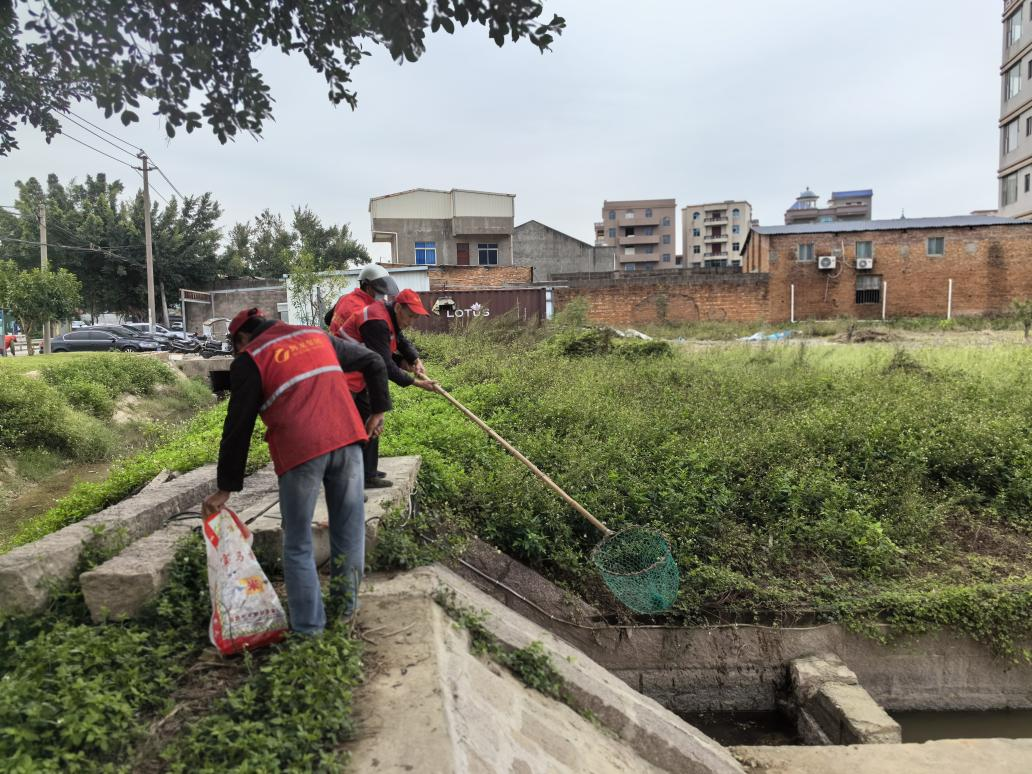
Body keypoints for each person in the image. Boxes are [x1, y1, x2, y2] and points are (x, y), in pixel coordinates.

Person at [202, 307, 390, 635]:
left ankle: (309, 631)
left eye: (237, 346)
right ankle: (346, 615)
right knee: (349, 532)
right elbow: (373, 360)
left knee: (299, 542)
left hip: (301, 453)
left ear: (243, 338)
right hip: (348, 441)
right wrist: (377, 411)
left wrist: (225, 488)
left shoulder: (251, 359)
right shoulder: (317, 336)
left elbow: (238, 427)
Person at [342, 288, 437, 489]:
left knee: (371, 419)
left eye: (415, 318)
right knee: (350, 427)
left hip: (363, 374)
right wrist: (417, 383)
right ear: (398, 308)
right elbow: (384, 364)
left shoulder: (389, 316)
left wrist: (414, 359)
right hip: (345, 375)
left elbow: (400, 340)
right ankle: (347, 480)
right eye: (410, 316)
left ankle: (368, 473)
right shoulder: (377, 321)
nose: (411, 322)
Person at [325, 264, 400, 336]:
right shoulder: (363, 311)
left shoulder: (344, 298)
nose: (382, 296)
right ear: (368, 288)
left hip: (333, 344)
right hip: (344, 348)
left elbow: (327, 319)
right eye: (379, 289)